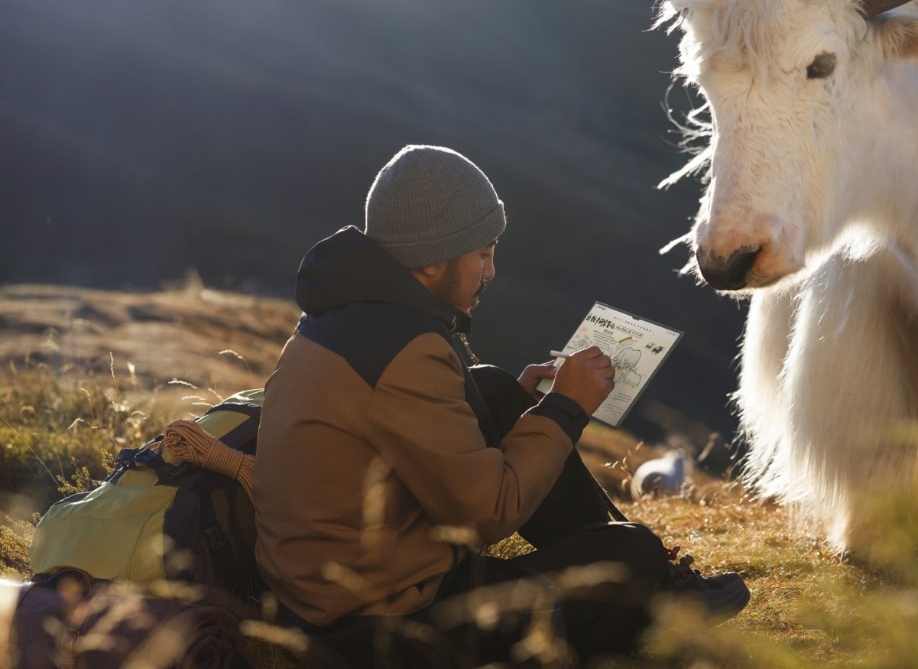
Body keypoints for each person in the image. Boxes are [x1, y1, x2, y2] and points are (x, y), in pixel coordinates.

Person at [252, 145, 749, 668]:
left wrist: (527, 410)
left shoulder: (344, 317)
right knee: (633, 557)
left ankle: (635, 569)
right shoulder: (406, 352)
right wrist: (564, 411)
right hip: (379, 627)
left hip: (326, 597)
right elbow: (488, 514)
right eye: (483, 253)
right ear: (430, 261)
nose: (491, 272)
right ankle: (649, 584)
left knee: (491, 390)